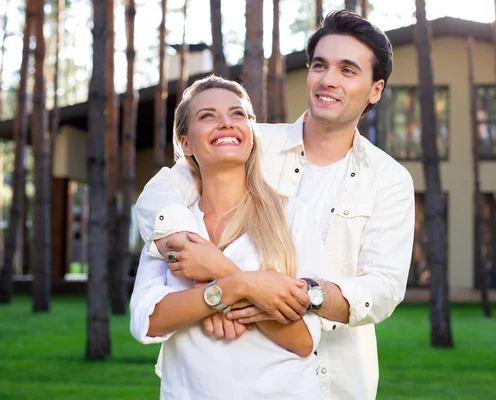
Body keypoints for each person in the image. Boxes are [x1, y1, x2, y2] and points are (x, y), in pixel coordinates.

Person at [135, 10, 415, 400]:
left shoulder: (389, 179)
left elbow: (382, 287)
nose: (328, 80)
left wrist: (292, 297)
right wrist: (204, 277)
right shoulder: (247, 141)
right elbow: (161, 191)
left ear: (375, 89)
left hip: (338, 379)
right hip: (220, 370)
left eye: (348, 70)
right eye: (320, 65)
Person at [129, 76, 327, 400]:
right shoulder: (172, 224)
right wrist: (235, 288)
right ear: (185, 144)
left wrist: (220, 272)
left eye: (238, 114)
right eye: (207, 116)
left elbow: (304, 339)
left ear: (250, 133)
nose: (225, 123)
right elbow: (147, 322)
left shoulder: (294, 217)